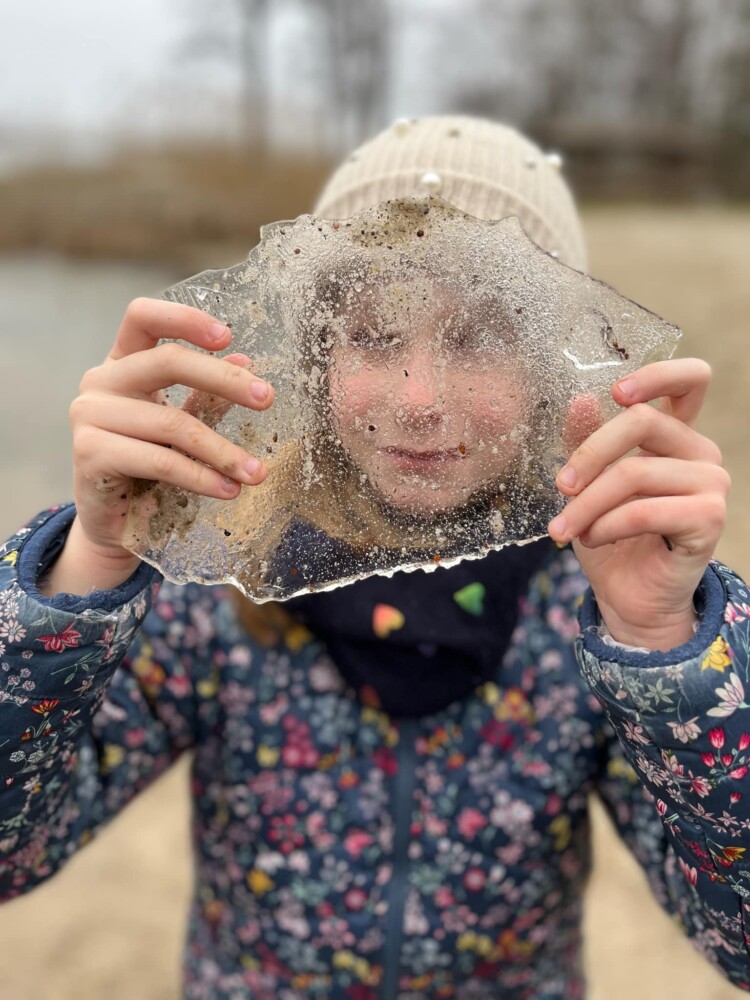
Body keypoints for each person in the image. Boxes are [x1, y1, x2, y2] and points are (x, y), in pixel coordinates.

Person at [0, 115, 745, 999]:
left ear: (555, 363)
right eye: (374, 335)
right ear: (317, 358)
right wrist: (88, 559)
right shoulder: (220, 585)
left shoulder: (588, 608)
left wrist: (667, 647)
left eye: (480, 336)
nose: (419, 399)